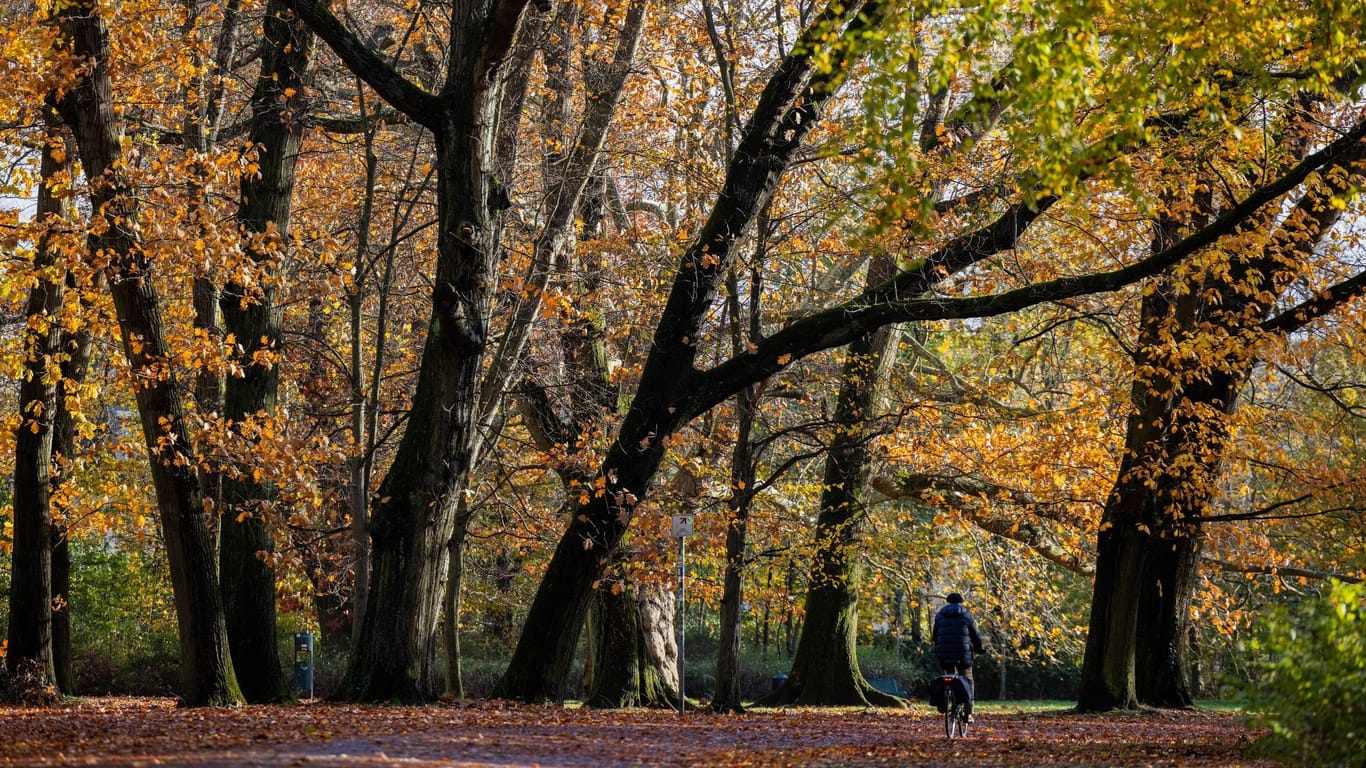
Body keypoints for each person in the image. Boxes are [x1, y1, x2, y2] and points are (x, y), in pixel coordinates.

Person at [932, 591, 984, 719]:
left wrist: (938, 647)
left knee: (946, 675)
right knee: (967, 679)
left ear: (948, 602)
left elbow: (935, 635)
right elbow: (975, 636)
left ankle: (944, 701)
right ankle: (968, 712)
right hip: (962, 654)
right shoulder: (966, 616)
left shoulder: (939, 616)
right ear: (961, 602)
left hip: (943, 654)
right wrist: (980, 649)